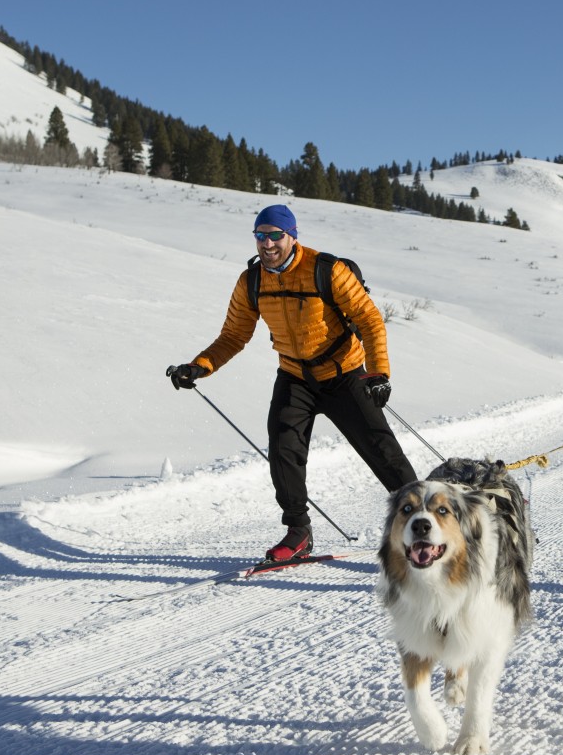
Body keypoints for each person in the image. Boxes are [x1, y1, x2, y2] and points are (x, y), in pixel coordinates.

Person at [167, 204, 417, 561]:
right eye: (260, 236)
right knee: (283, 449)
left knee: (382, 451)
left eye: (275, 236)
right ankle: (298, 533)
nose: (267, 244)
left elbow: (370, 319)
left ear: (292, 236)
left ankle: (422, 522)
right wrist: (199, 366)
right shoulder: (251, 281)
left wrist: (378, 373)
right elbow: (234, 335)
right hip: (295, 376)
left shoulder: (326, 270)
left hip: (344, 373)